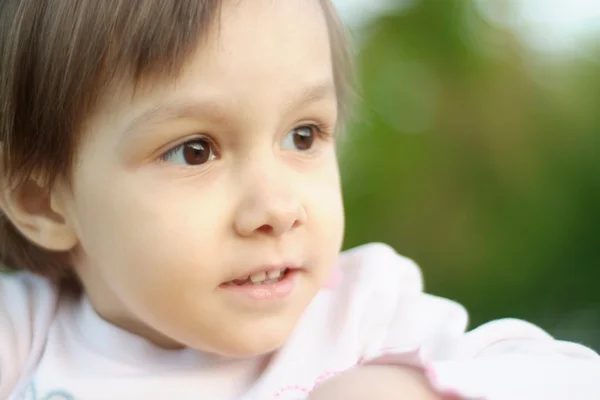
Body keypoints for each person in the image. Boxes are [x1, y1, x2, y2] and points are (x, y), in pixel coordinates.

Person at [0, 1, 598, 399]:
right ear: (43, 203)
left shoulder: (364, 314)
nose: (278, 207)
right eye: (194, 151)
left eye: (303, 135)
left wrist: (403, 388)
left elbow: (571, 377)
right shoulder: (26, 333)